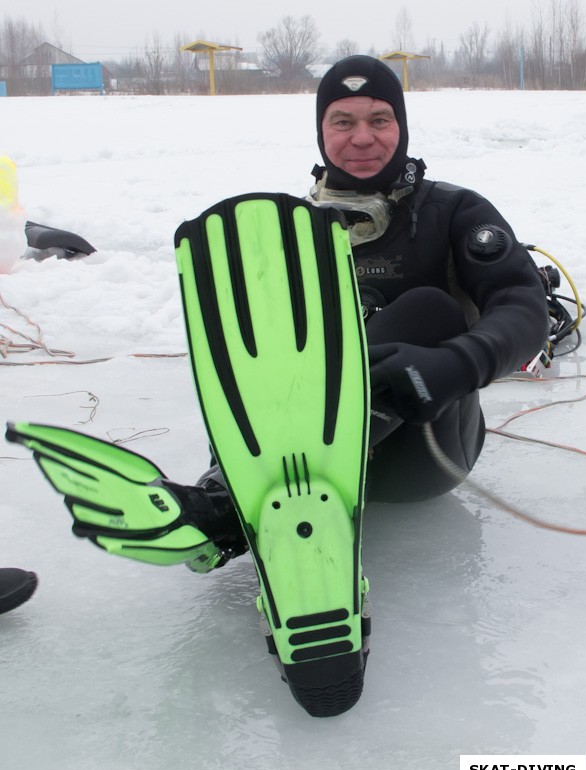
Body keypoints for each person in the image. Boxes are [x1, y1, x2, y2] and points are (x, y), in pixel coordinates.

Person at [6, 56, 548, 571]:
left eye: (380, 119)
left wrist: (455, 364)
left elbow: (525, 310)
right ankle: (225, 495)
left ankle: (228, 508)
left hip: (420, 455)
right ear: (322, 131)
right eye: (344, 121)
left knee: (428, 309)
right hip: (297, 454)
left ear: (401, 126)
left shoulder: (454, 212)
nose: (363, 136)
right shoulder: (294, 228)